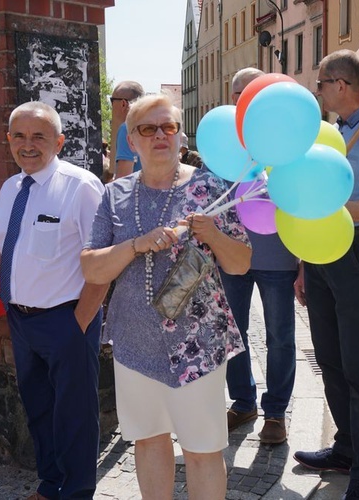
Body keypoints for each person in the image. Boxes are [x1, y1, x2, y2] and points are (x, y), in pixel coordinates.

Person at [81, 93, 250, 499]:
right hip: (135, 342)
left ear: (181, 137)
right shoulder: (115, 194)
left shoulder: (211, 188)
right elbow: (91, 267)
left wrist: (214, 234)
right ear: (132, 141)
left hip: (198, 345)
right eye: (147, 129)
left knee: (203, 449)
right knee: (149, 440)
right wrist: (136, 245)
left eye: (168, 127)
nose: (160, 135)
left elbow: (241, 263)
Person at [0, 101, 107, 500]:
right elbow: (9, 254)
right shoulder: (11, 188)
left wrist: (82, 320)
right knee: (38, 411)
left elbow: (103, 260)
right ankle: (51, 485)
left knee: (74, 416)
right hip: (21, 320)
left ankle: (77, 492)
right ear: (9, 141)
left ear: (59, 141)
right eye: (19, 136)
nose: (28, 144)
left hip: (67, 320)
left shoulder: (81, 186)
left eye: (38, 136)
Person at [293, 50, 359, 500]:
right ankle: (346, 447)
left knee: (357, 364)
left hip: (355, 247)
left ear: (341, 84)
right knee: (328, 357)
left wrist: (335, 212)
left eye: (321, 83)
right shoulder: (333, 134)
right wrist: (303, 263)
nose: (318, 91)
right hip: (318, 252)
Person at [221, 67, 299, 445]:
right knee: (233, 334)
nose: (244, 102)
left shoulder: (286, 139)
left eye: (250, 94)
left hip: (278, 258)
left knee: (280, 337)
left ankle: (276, 412)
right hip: (232, 255)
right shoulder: (224, 138)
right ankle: (243, 401)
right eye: (239, 94)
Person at [110, 81, 145, 179]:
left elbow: (123, 181)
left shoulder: (127, 128)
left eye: (112, 101)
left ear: (123, 104)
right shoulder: (154, 125)